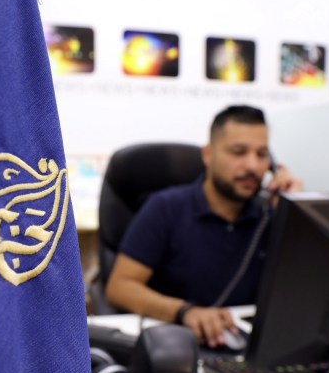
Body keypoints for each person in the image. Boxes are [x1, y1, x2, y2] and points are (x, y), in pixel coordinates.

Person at [104, 105, 302, 348]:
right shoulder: (166, 207)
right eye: (238, 152)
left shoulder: (269, 215)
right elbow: (119, 287)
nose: (252, 165)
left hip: (244, 346)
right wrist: (185, 311)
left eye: (261, 154)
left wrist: (295, 213)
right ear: (208, 155)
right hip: (174, 343)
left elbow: (303, 293)